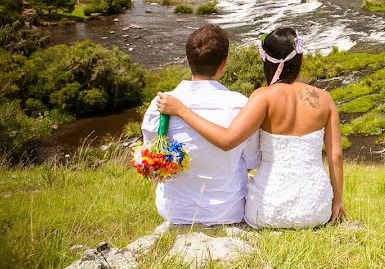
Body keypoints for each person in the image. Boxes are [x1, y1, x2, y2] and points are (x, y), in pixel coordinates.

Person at [156, 26, 345, 228]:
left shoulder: (262, 97)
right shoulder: (325, 99)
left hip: (269, 210)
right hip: (317, 210)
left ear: (266, 61)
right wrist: (338, 201)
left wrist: (182, 111)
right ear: (301, 59)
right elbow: (336, 156)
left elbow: (227, 140)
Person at [142, 24, 260, 226]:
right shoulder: (241, 105)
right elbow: (251, 160)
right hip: (227, 209)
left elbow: (152, 155)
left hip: (173, 209)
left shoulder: (159, 105)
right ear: (224, 63)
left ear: (189, 60)